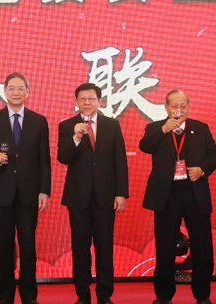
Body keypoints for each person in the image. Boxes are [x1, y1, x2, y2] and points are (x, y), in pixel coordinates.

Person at [140, 90, 216, 304]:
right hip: (167, 195)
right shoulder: (155, 128)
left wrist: (202, 169)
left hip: (195, 194)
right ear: (166, 108)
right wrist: (163, 130)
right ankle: (163, 295)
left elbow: (215, 154)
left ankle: (202, 294)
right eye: (174, 106)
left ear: (188, 107)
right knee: (165, 246)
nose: (179, 110)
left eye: (183, 106)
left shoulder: (201, 128)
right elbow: (145, 146)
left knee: (202, 246)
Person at [0, 73, 51, 304]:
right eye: (11, 88)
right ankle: (4, 296)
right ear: (5, 91)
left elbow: (44, 159)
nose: (16, 92)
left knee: (28, 247)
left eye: (20, 88)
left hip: (29, 194)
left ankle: (29, 296)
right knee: (4, 247)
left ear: (28, 91)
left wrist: (44, 191)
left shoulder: (39, 121)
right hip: (3, 194)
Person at [57, 83, 129, 304]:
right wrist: (76, 138)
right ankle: (83, 294)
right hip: (78, 196)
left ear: (100, 101)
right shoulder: (67, 126)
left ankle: (104, 294)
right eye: (82, 99)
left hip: (105, 195)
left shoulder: (112, 125)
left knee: (104, 246)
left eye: (91, 99)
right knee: (80, 247)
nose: (87, 102)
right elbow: (63, 158)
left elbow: (120, 160)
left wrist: (121, 193)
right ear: (76, 102)